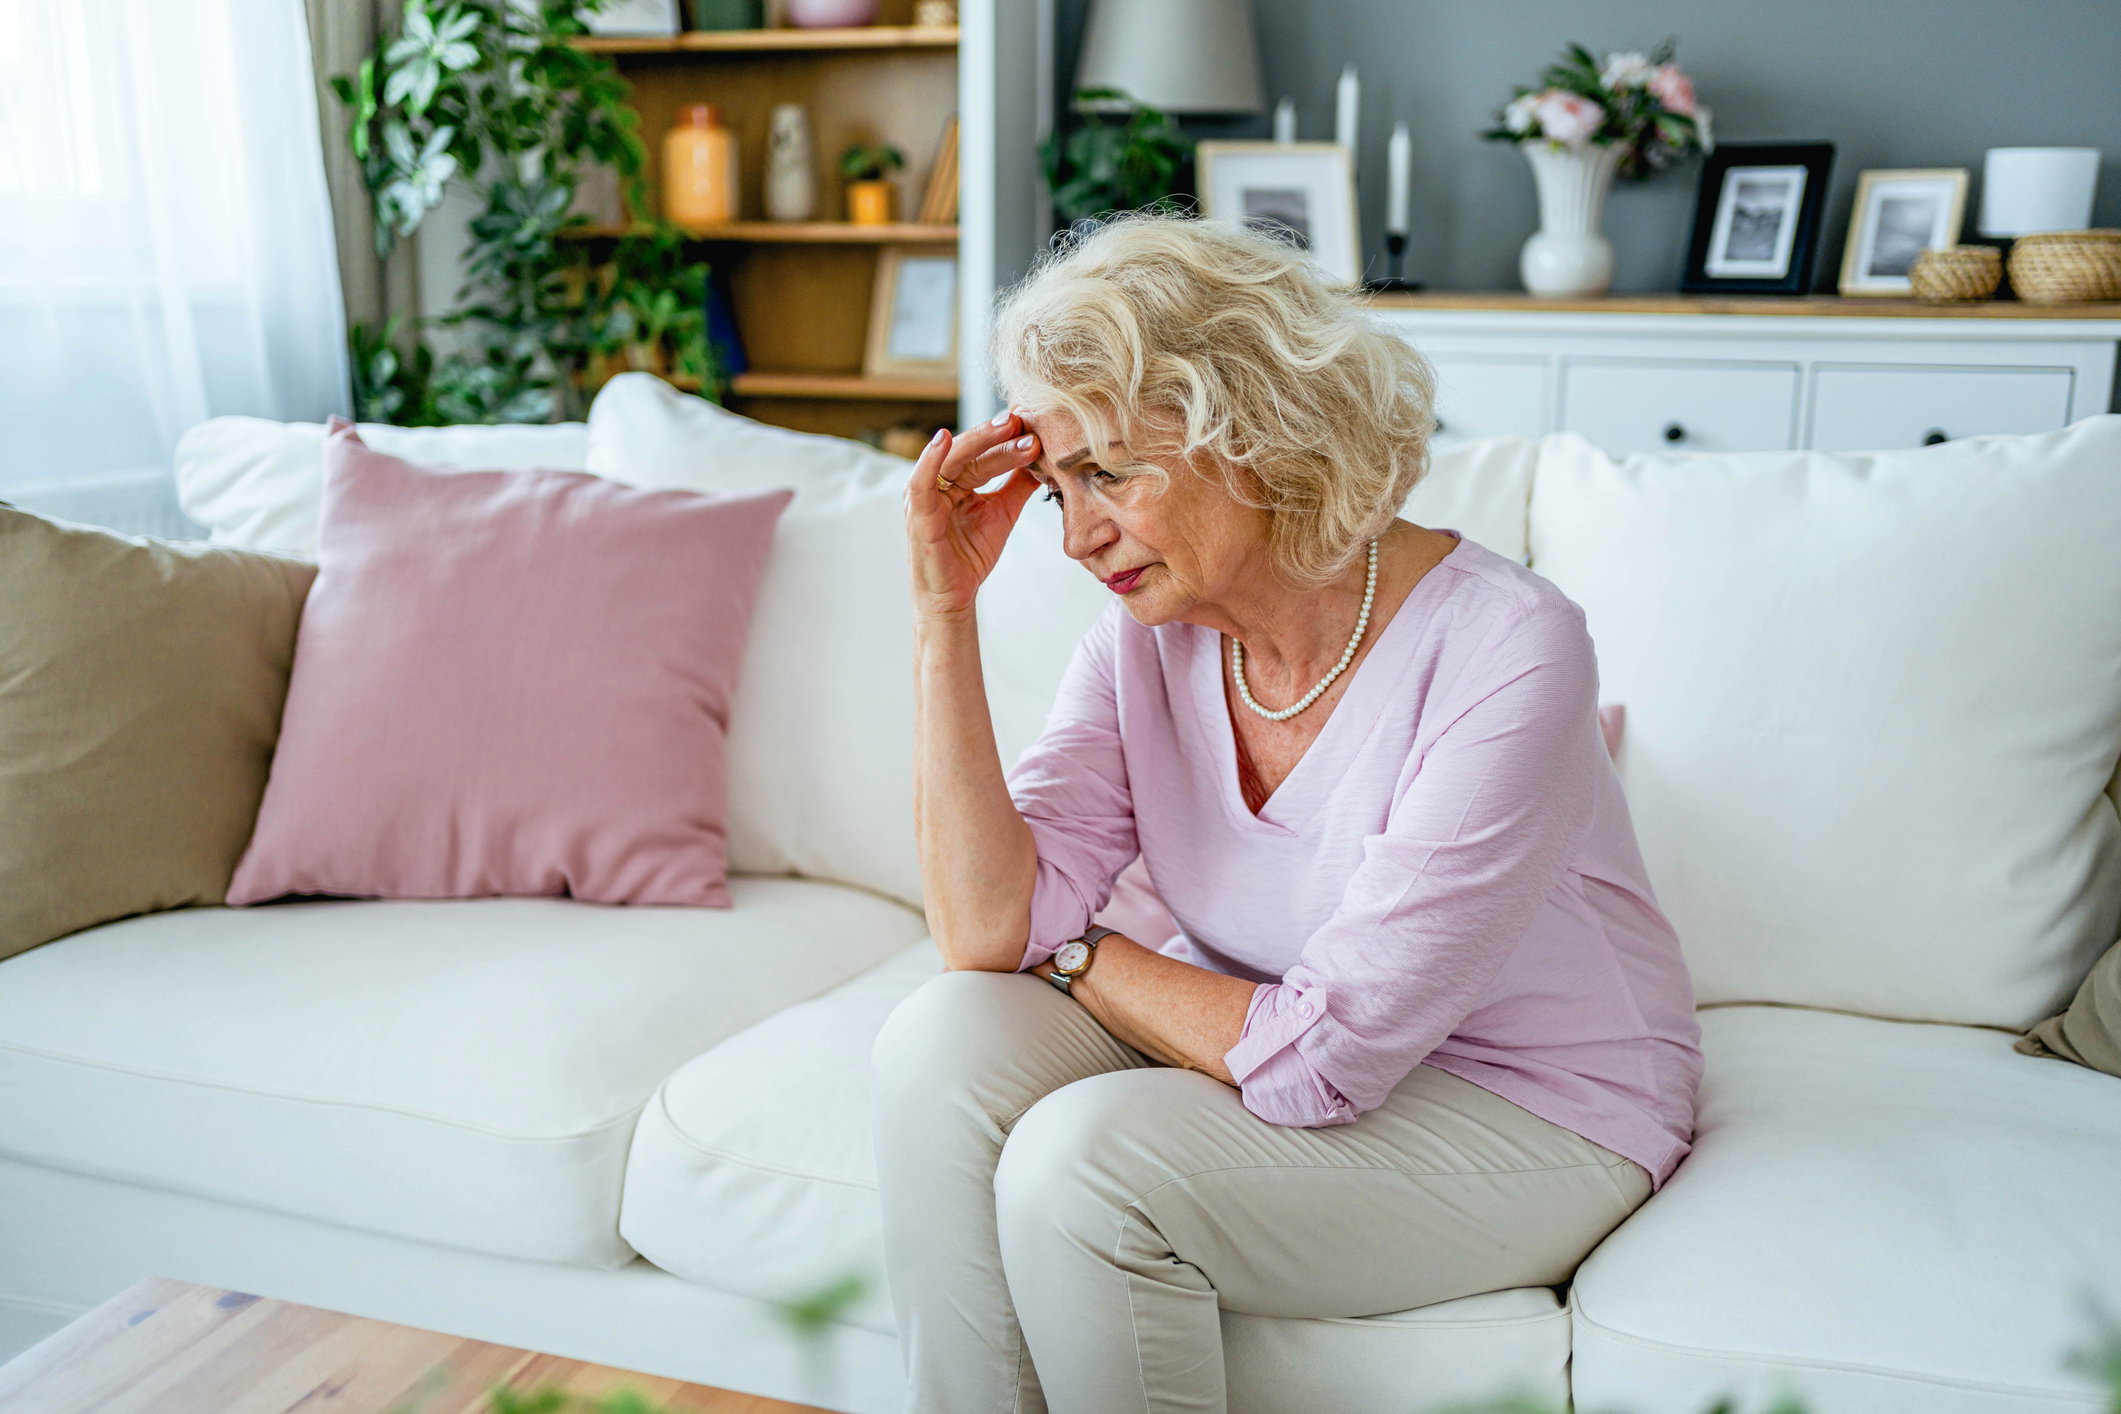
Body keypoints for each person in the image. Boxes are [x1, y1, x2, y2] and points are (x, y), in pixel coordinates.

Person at [873, 212, 1701, 1414]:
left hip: (1543, 1105)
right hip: (1263, 1034)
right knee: (938, 1041)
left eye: (1106, 472)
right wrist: (942, 617)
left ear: (1248, 428)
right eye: (1056, 487)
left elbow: (1324, 1056)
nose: (1075, 534)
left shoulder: (1510, 645)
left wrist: (1092, 953)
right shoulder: (1142, 640)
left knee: (1085, 1168)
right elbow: (986, 931)